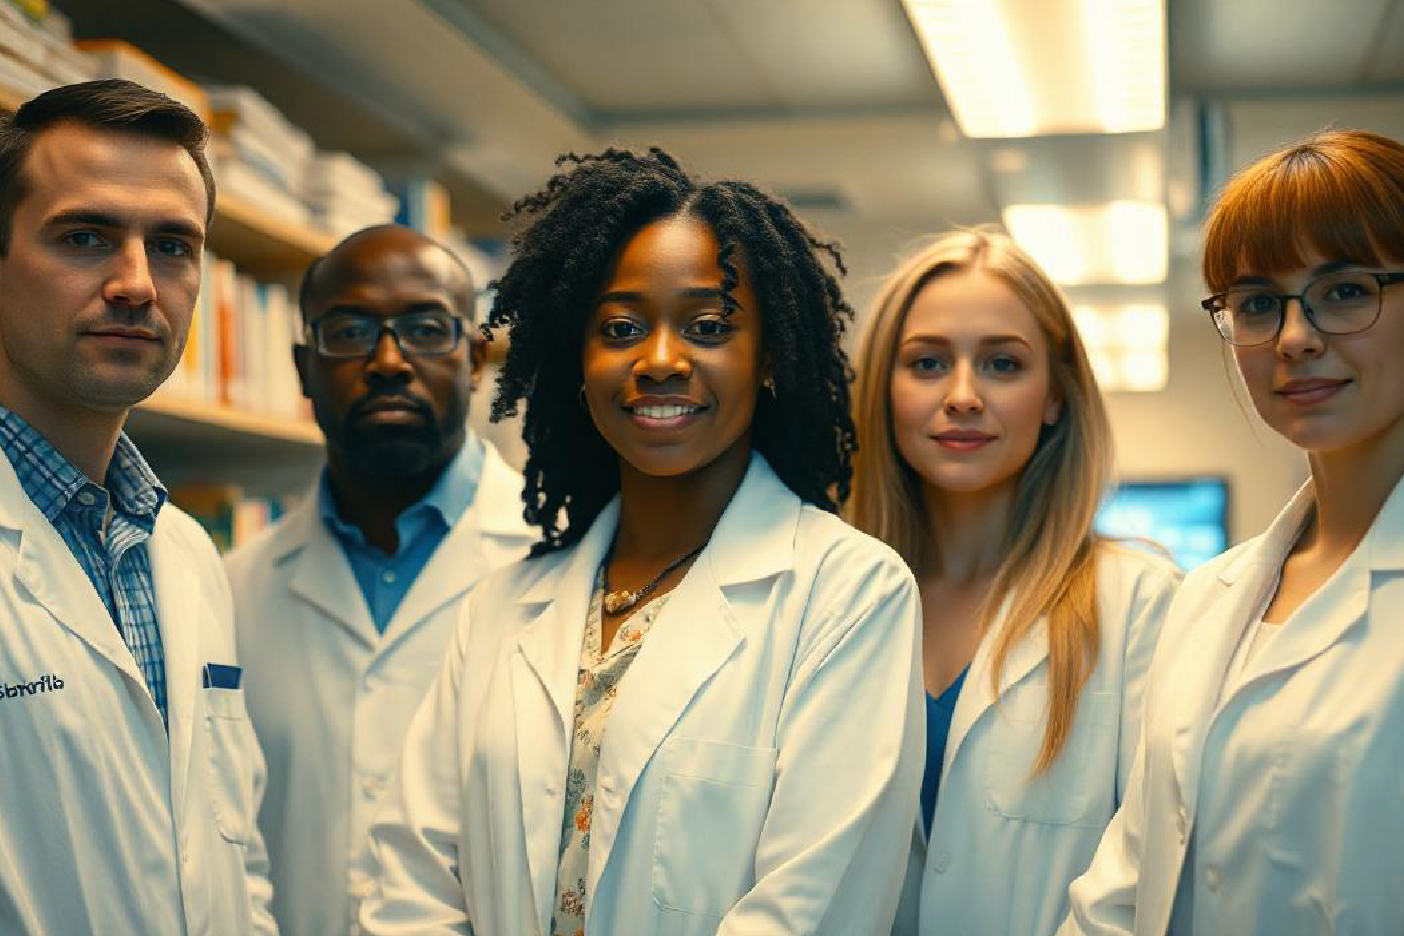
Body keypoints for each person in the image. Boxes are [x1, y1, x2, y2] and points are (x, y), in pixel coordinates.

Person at [360, 147, 924, 936]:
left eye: (708, 325)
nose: (660, 360)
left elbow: (812, 908)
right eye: (622, 327)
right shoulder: (500, 609)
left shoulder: (849, 594)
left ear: (768, 358)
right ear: (578, 363)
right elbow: (411, 883)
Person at [1059, 128, 1404, 935]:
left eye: (1346, 290)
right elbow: (1130, 879)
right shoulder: (1210, 597)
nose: (1294, 337)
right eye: (1255, 304)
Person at [0, 79, 275, 934]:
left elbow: (232, 854)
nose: (135, 284)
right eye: (84, 237)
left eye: (172, 246)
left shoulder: (186, 551)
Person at [847, 230, 1179, 936]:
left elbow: (1149, 879)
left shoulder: (1140, 604)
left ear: (1054, 396)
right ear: (884, 391)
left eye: (1002, 363)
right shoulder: (831, 603)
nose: (963, 396)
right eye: (928, 363)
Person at [224, 224, 537, 936]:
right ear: (304, 368)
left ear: (477, 359)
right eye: (351, 330)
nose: (389, 361)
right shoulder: (230, 591)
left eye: (427, 329)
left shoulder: (567, 563)